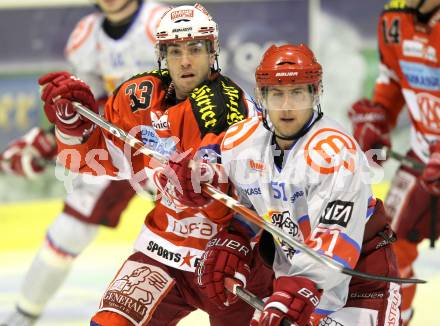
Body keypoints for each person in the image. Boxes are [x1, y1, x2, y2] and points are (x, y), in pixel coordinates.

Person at [37, 3, 273, 325]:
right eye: (175, 51)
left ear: (212, 50)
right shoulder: (139, 96)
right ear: (162, 54)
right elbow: (94, 160)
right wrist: (72, 127)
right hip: (163, 251)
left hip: (229, 258)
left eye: (195, 48)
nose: (185, 60)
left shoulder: (233, 109)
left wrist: (209, 187)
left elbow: (268, 195)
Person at [170, 44, 403, 325]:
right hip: (296, 279)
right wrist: (235, 235)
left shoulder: (334, 152)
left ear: (315, 93)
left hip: (361, 280)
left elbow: (335, 240)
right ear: (261, 96)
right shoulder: (243, 141)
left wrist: (296, 287)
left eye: (297, 93)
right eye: (277, 94)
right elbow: (239, 192)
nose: (287, 106)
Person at [0, 0, 166, 325]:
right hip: (117, 146)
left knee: (203, 227)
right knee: (69, 230)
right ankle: (24, 314)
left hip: (171, 144)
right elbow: (87, 105)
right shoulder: (86, 36)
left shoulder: (160, 23)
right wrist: (52, 137)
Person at [348, 0, 440, 324]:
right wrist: (380, 117)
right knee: (389, 251)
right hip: (424, 154)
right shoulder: (393, 19)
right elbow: (392, 77)